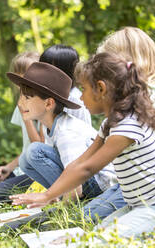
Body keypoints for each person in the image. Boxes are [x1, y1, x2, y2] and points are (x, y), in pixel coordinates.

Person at [11, 52, 155, 239]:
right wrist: (50, 195)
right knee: (92, 232)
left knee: (102, 239)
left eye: (83, 89)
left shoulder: (127, 127)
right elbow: (79, 163)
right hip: (136, 203)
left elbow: (87, 168)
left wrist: (47, 195)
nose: (81, 98)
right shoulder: (109, 124)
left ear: (101, 89)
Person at [83, 26, 155, 223]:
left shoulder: (150, 95)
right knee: (88, 214)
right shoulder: (154, 88)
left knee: (89, 216)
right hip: (141, 181)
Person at [8, 61, 115, 203]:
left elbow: (77, 184)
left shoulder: (66, 133)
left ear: (49, 104)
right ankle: (60, 197)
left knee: (35, 151)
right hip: (84, 180)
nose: (20, 104)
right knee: (24, 160)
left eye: (27, 98)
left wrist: (62, 210)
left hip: (100, 185)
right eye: (21, 97)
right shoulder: (50, 126)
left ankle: (74, 202)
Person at [0, 52, 40, 200]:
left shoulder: (43, 104)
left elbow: (38, 147)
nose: (23, 86)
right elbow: (28, 148)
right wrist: (9, 167)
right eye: (19, 81)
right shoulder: (22, 103)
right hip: (26, 166)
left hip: (41, 170)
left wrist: (27, 117)